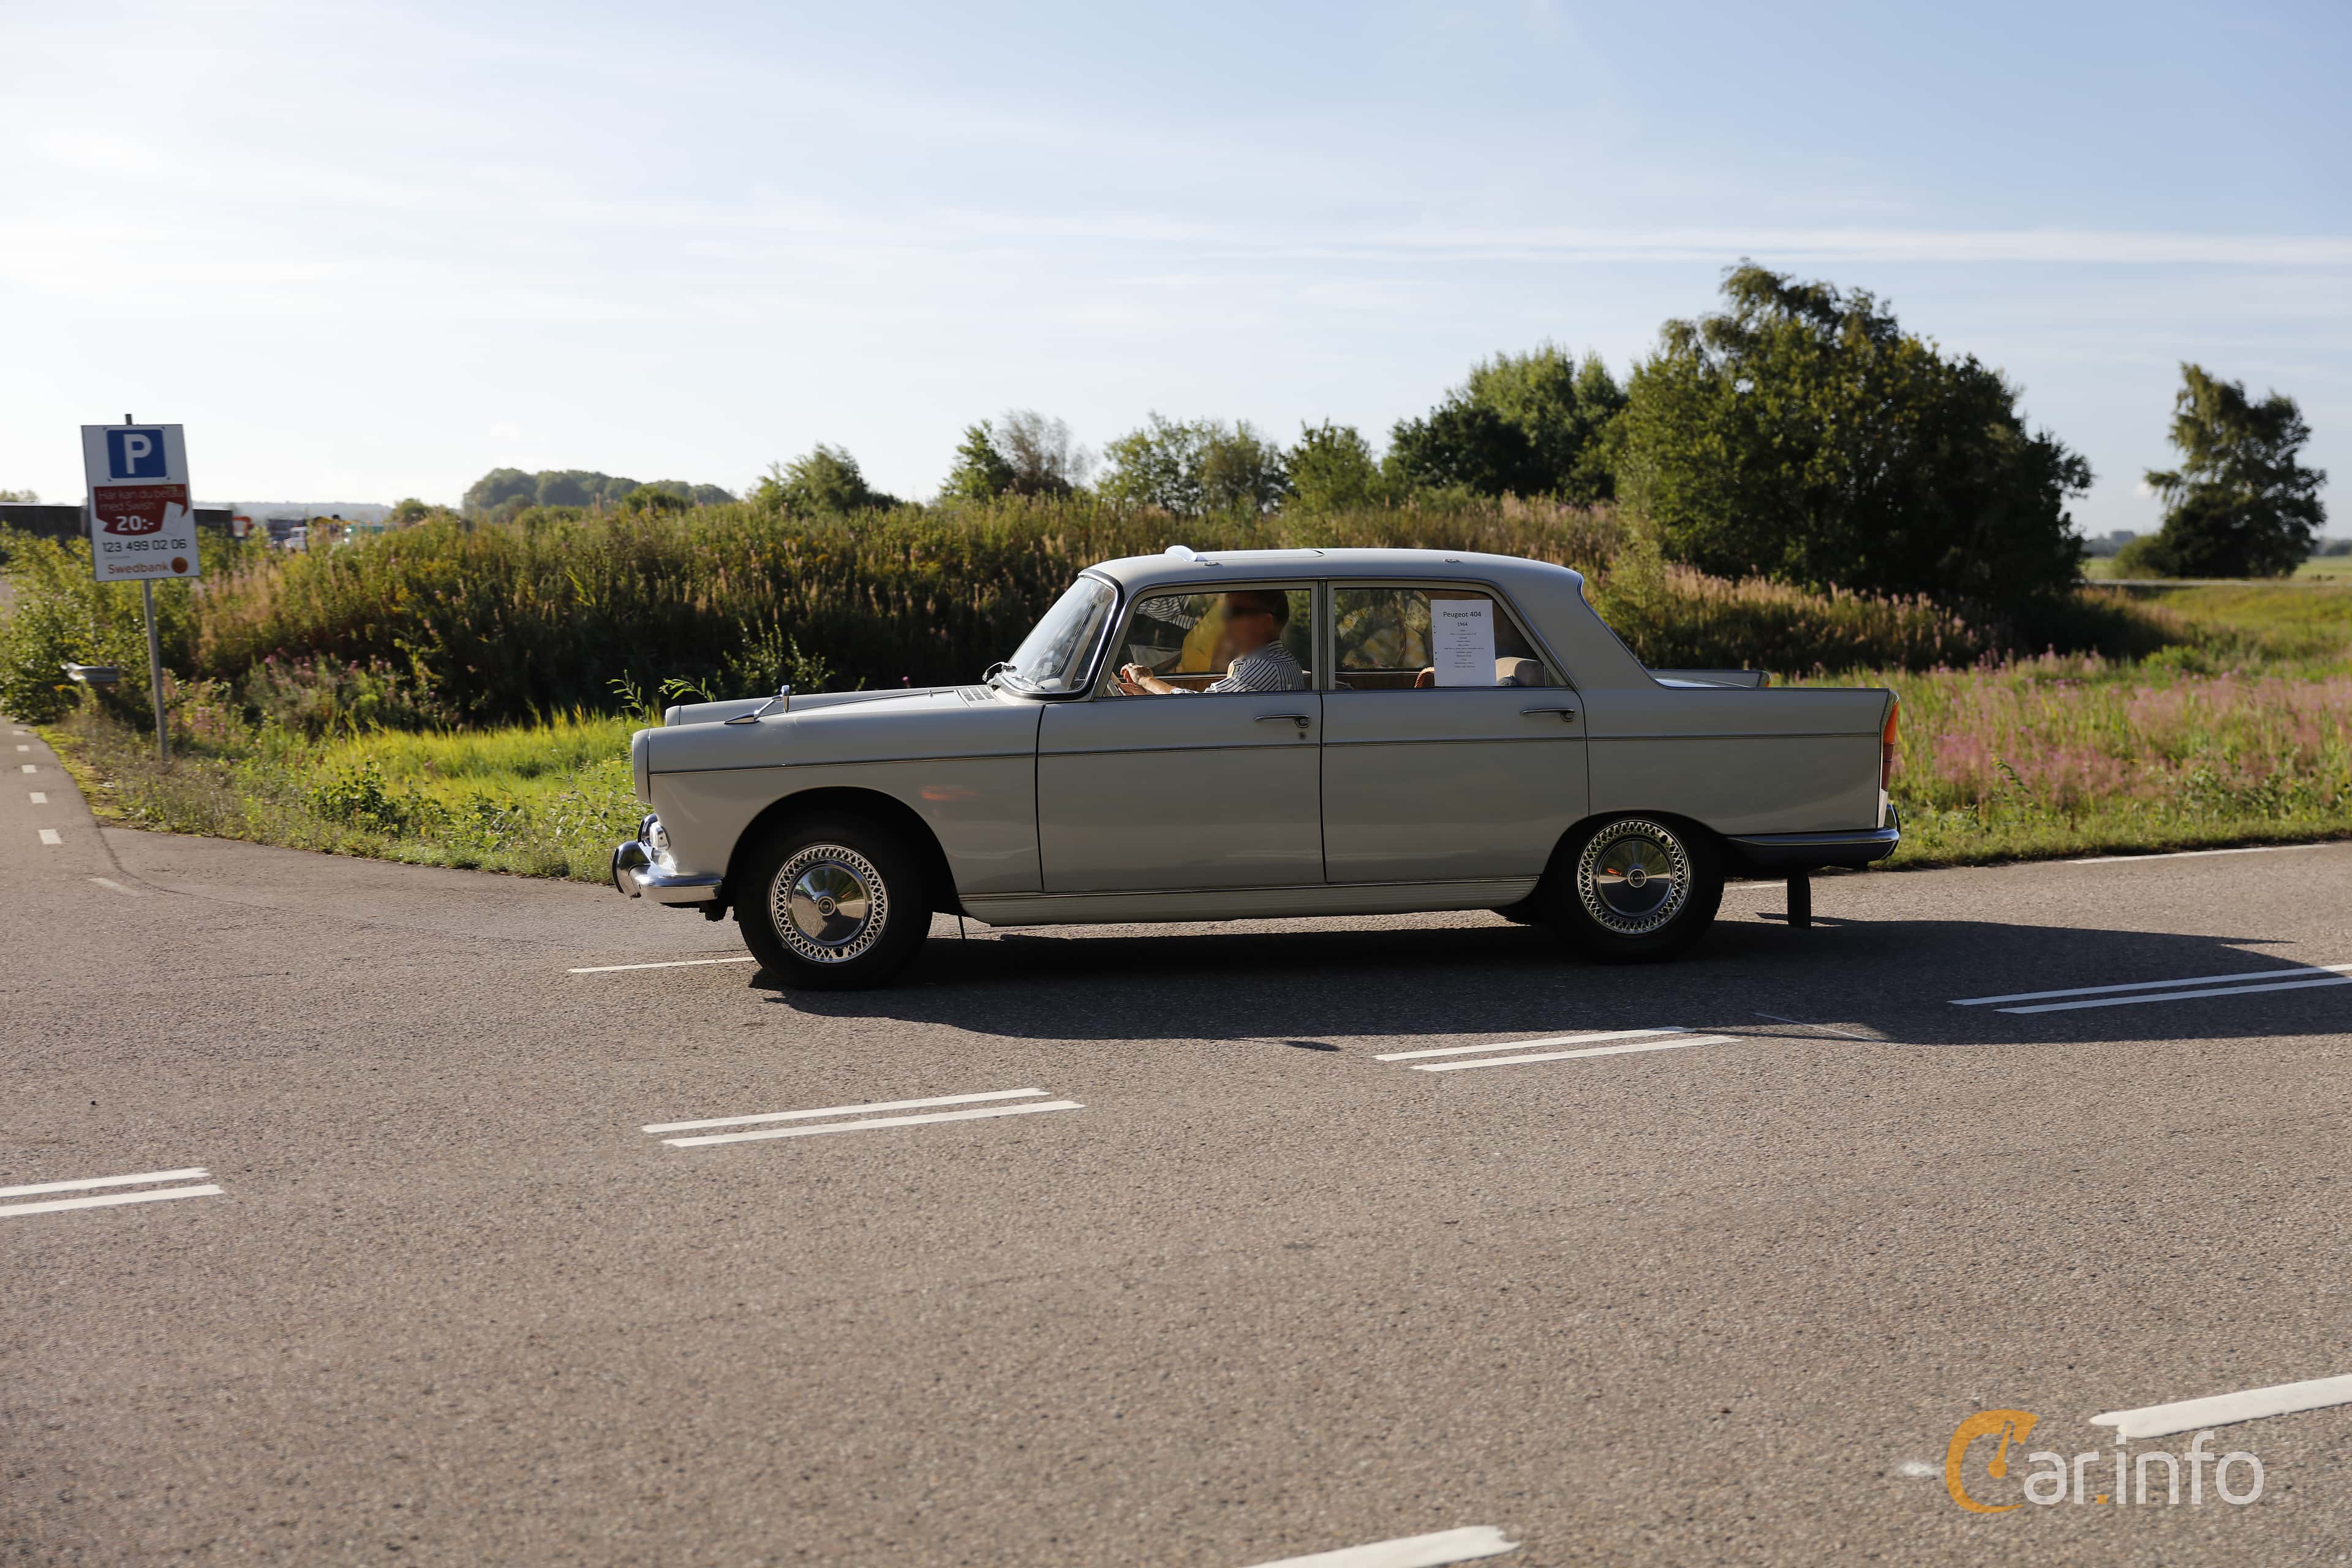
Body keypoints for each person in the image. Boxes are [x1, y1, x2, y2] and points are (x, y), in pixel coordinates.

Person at [1117, 590, 1305, 695]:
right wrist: (1144, 688)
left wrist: (1146, 680)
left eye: (1234, 613)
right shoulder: (1268, 661)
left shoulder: (1264, 668)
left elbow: (1198, 707)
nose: (1224, 621)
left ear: (1264, 622)